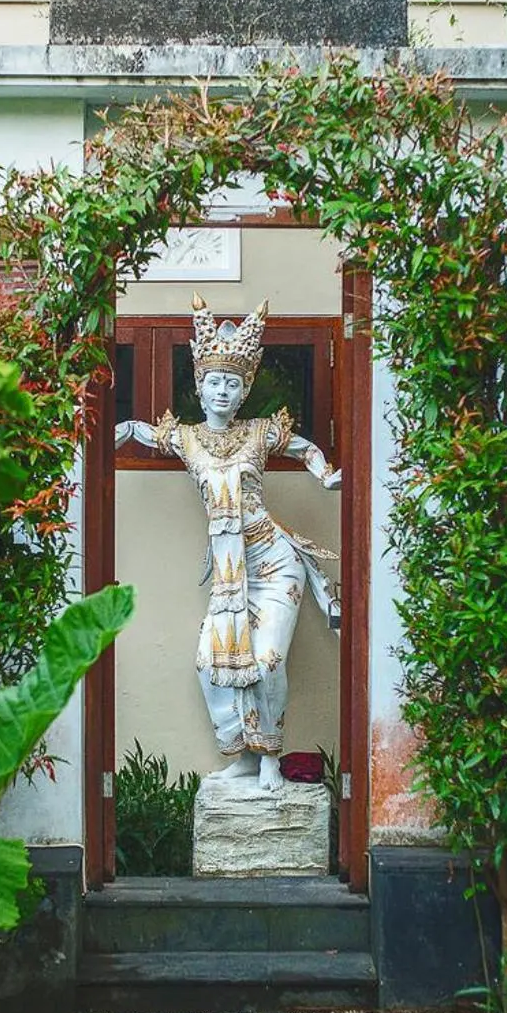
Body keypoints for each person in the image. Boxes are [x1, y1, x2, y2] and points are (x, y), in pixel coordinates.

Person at [113, 297, 343, 792]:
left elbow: (301, 446)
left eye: (232, 383)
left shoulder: (261, 433)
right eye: (213, 382)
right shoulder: (188, 439)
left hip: (275, 562)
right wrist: (109, 435)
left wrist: (324, 475)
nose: (222, 390)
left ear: (244, 391)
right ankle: (238, 754)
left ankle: (270, 758)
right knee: (208, 664)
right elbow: (140, 432)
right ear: (198, 387)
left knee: (267, 662)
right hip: (228, 572)